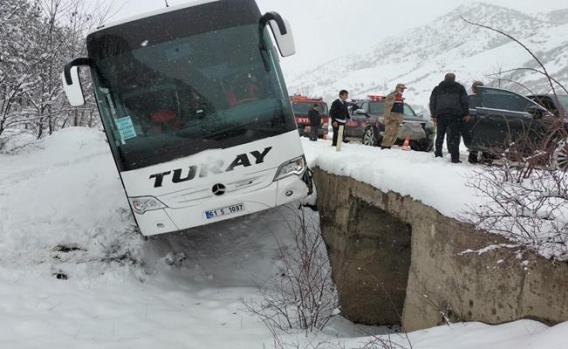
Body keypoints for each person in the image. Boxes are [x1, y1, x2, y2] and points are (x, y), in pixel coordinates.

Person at [429, 73, 470, 163]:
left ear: (444, 79)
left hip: (441, 114)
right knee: (454, 136)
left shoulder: (437, 89)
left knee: (440, 135)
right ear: (454, 79)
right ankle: (454, 158)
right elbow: (465, 102)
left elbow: (432, 102)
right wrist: (466, 113)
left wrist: (433, 115)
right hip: (455, 115)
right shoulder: (460, 88)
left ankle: (438, 154)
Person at [380, 83, 406, 149]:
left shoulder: (400, 97)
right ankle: (385, 145)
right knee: (389, 132)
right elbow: (387, 107)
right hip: (392, 117)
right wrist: (387, 117)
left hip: (398, 117)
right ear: (397, 88)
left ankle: (389, 145)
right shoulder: (392, 96)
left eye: (403, 89)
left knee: (395, 133)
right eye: (401, 88)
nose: (403, 90)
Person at [463, 81, 483, 164]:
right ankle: (486, 157)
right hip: (485, 122)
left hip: (472, 123)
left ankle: (473, 158)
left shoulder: (470, 98)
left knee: (474, 140)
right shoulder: (488, 99)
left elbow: (464, 110)